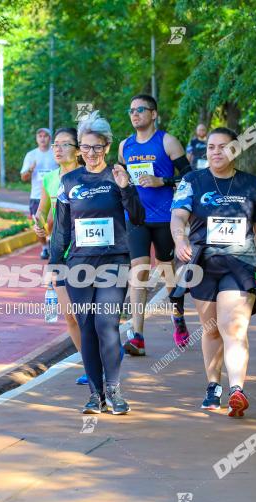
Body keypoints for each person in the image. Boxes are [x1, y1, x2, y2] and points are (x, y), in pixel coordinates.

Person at [170, 127, 256, 418]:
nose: (216, 152)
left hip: (241, 262)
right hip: (203, 263)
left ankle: (237, 390)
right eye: (211, 147)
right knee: (211, 329)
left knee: (233, 326)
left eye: (223, 147)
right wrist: (180, 239)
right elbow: (178, 216)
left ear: (235, 150)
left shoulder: (250, 184)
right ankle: (213, 385)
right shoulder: (193, 180)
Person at [50, 111, 145, 415]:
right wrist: (55, 264)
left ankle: (114, 391)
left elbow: (139, 217)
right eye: (86, 148)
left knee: (107, 324)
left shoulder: (117, 176)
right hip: (79, 265)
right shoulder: (69, 181)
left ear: (107, 146)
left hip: (114, 262)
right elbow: (61, 229)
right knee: (87, 327)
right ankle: (95, 394)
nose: (91, 154)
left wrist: (127, 187)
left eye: (97, 147)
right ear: (80, 149)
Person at [34, 127, 125, 387]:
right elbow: (44, 212)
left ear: (78, 149)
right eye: (55, 145)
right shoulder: (52, 179)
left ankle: (107, 359)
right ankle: (90, 364)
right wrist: (39, 224)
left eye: (64, 144)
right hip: (62, 253)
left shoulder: (96, 177)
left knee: (100, 318)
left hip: (97, 255)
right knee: (72, 316)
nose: (58, 149)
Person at [118, 94, 192, 356]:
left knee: (167, 268)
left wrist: (163, 181)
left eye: (140, 109)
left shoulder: (168, 141)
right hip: (137, 218)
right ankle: (137, 335)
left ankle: (178, 315)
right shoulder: (124, 146)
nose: (135, 114)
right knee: (139, 271)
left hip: (165, 217)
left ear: (153, 114)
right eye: (131, 110)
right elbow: (121, 180)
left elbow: (189, 177)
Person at [21, 128, 59, 259]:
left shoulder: (56, 152)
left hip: (54, 195)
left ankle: (51, 241)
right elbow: (23, 177)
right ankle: (44, 247)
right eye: (40, 136)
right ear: (37, 139)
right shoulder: (31, 155)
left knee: (52, 221)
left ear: (50, 138)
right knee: (39, 224)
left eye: (46, 136)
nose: (43, 138)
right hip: (36, 196)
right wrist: (31, 169)